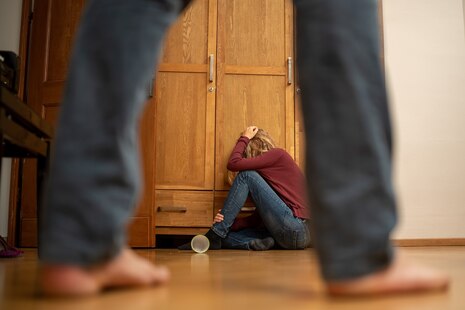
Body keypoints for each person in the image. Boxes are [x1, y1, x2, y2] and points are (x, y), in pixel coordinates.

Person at [39, 0, 449, 297]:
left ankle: (83, 242)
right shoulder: (275, 179)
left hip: (296, 229)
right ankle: (359, 254)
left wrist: (243, 137)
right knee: (337, 8)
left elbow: (238, 165)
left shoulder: (275, 158)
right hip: (292, 231)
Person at [179, 126, 311, 251]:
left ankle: (215, 234)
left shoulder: (278, 155)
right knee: (226, 236)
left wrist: (245, 137)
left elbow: (233, 163)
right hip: (294, 237)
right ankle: (251, 243)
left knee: (246, 175)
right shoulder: (269, 179)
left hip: (298, 228)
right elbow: (257, 219)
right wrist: (229, 222)